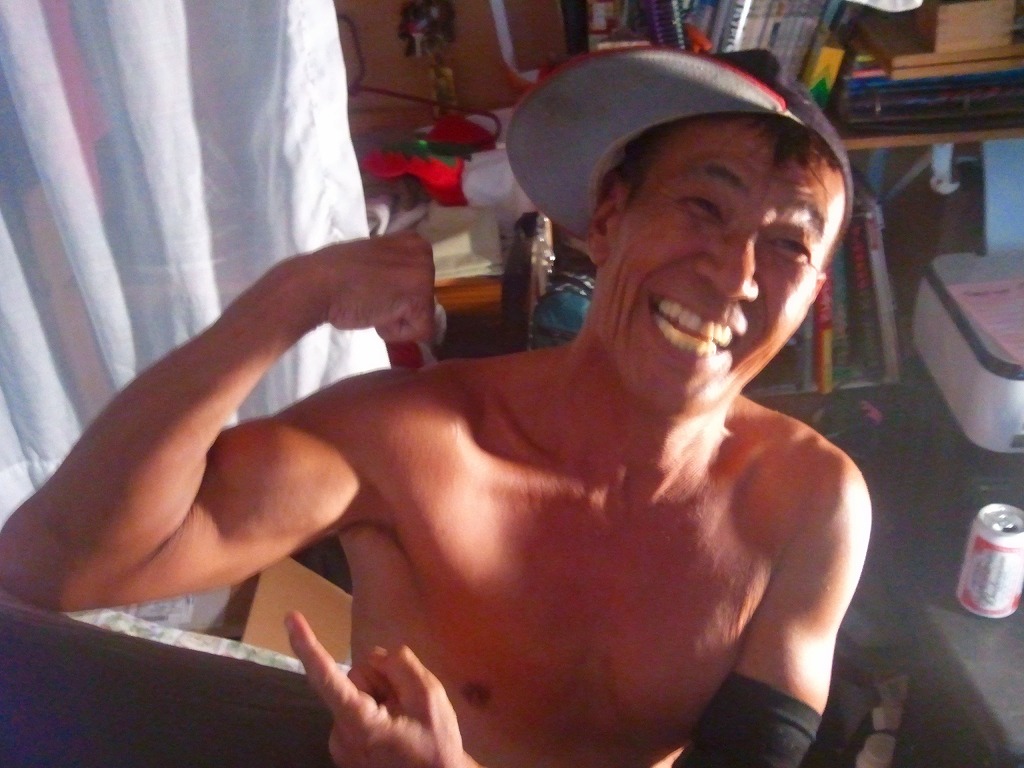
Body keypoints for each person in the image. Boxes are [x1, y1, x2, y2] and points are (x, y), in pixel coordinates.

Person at [0, 48, 870, 768]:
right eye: (702, 207)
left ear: (814, 298)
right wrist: (284, 301)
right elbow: (54, 566)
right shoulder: (410, 443)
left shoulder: (809, 502)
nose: (735, 274)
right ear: (609, 218)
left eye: (788, 245)